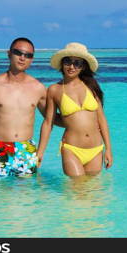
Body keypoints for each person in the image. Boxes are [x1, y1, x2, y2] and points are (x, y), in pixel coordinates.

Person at [0, 37, 58, 179]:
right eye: (18, 53)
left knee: (23, 199)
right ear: (9, 54)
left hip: (26, 150)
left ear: (32, 59)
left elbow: (51, 119)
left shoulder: (38, 88)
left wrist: (83, 122)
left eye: (28, 55)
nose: (22, 58)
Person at [37, 42, 113, 177]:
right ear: (62, 63)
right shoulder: (55, 90)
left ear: (83, 66)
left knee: (92, 193)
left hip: (96, 149)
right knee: (76, 190)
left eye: (77, 63)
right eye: (68, 62)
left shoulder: (91, 86)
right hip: (72, 149)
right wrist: (40, 152)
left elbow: (102, 120)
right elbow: (48, 123)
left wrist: (108, 149)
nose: (71, 67)